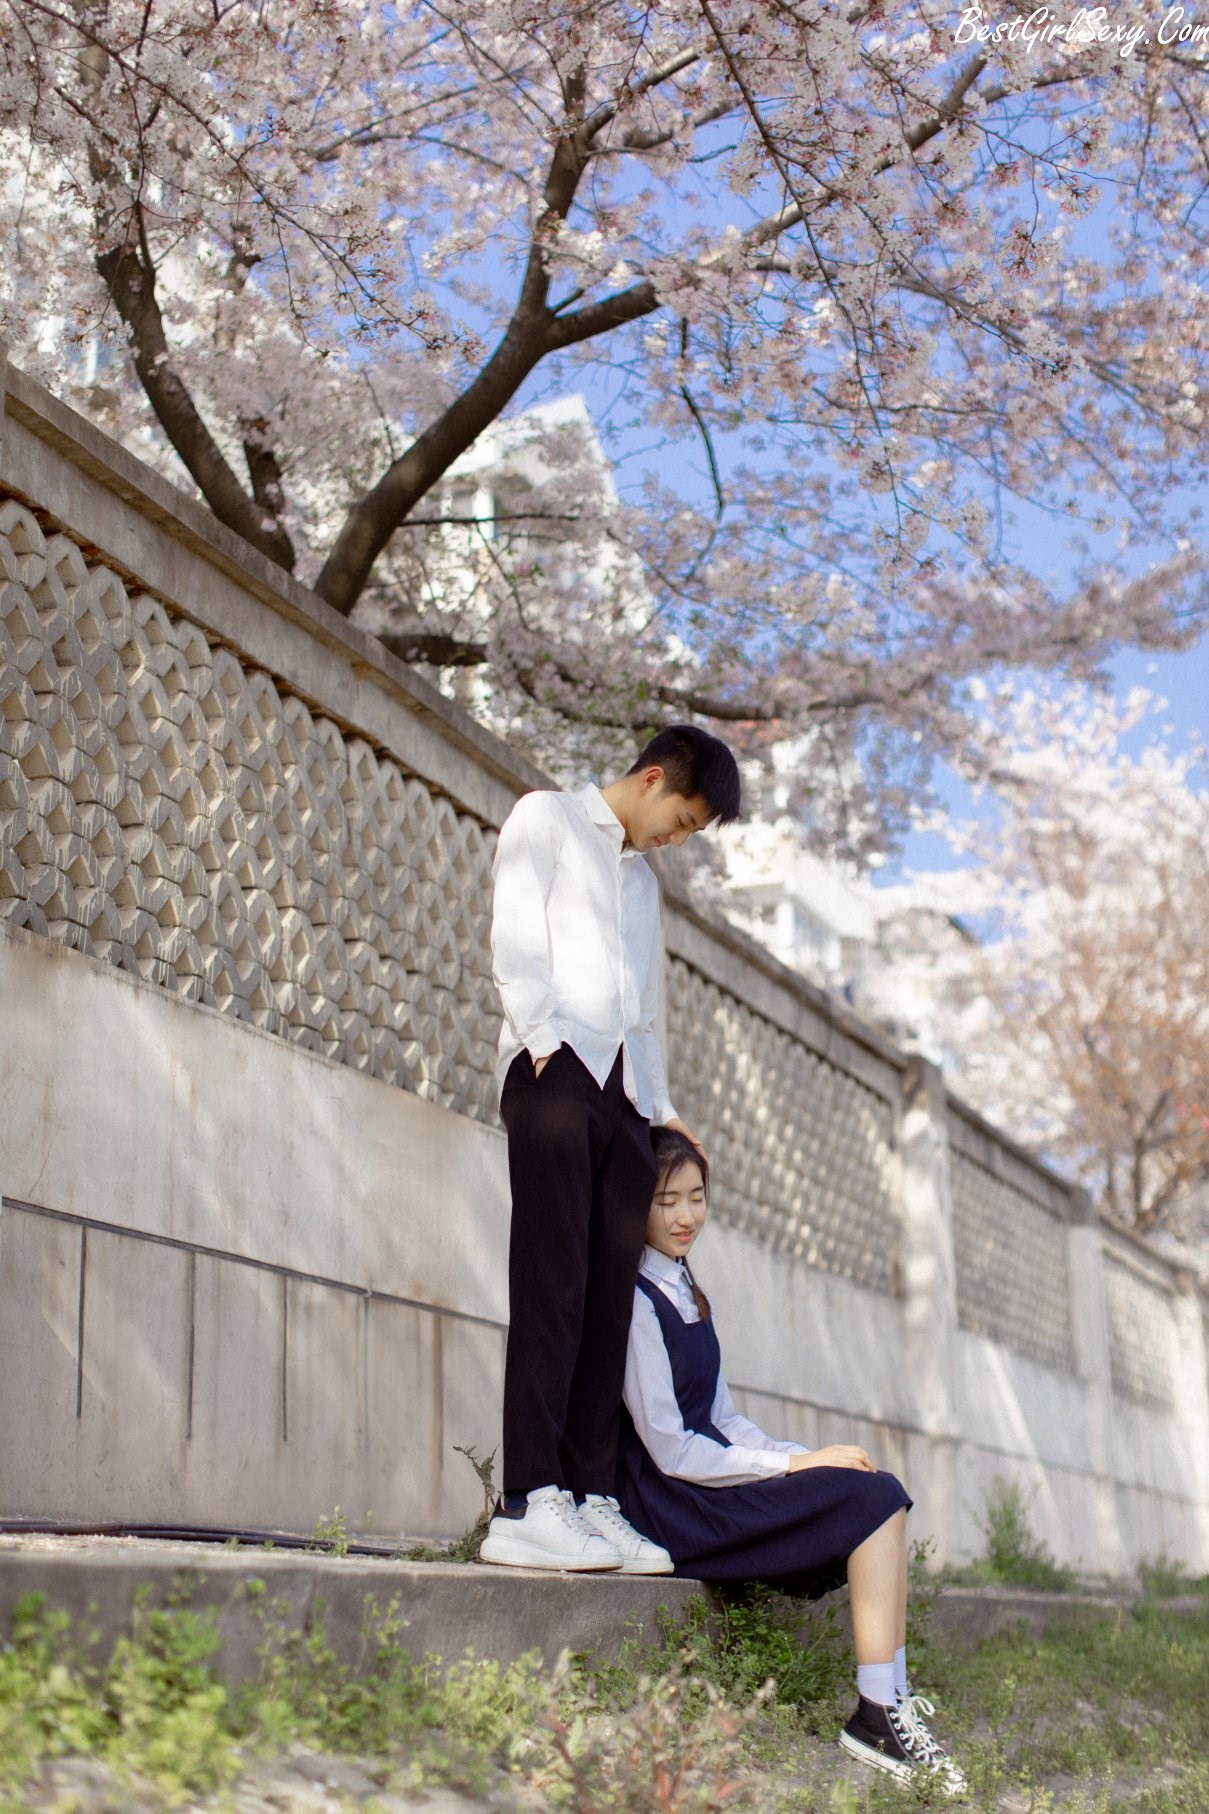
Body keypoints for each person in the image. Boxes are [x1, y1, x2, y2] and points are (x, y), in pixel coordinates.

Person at [619, 1127, 967, 1794]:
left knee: (872, 1485)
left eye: (696, 1197)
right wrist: (787, 1471)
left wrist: (804, 1458)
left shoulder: (684, 1285)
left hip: (708, 1473)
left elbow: (723, 1420)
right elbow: (670, 1447)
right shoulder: (637, 1301)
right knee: (874, 1499)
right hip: (670, 1499)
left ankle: (890, 1696)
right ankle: (874, 1718)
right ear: (635, 1203)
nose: (686, 1216)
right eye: (665, 1201)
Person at [479, 726, 742, 1575]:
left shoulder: (640, 882)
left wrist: (661, 1111)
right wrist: (541, 1042)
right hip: (556, 1073)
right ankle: (527, 1502)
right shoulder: (547, 817)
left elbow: (645, 1009)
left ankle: (590, 1496)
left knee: (608, 1305)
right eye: (682, 819)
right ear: (652, 777)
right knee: (552, 1286)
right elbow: (517, 935)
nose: (677, 838)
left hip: (625, 1097)